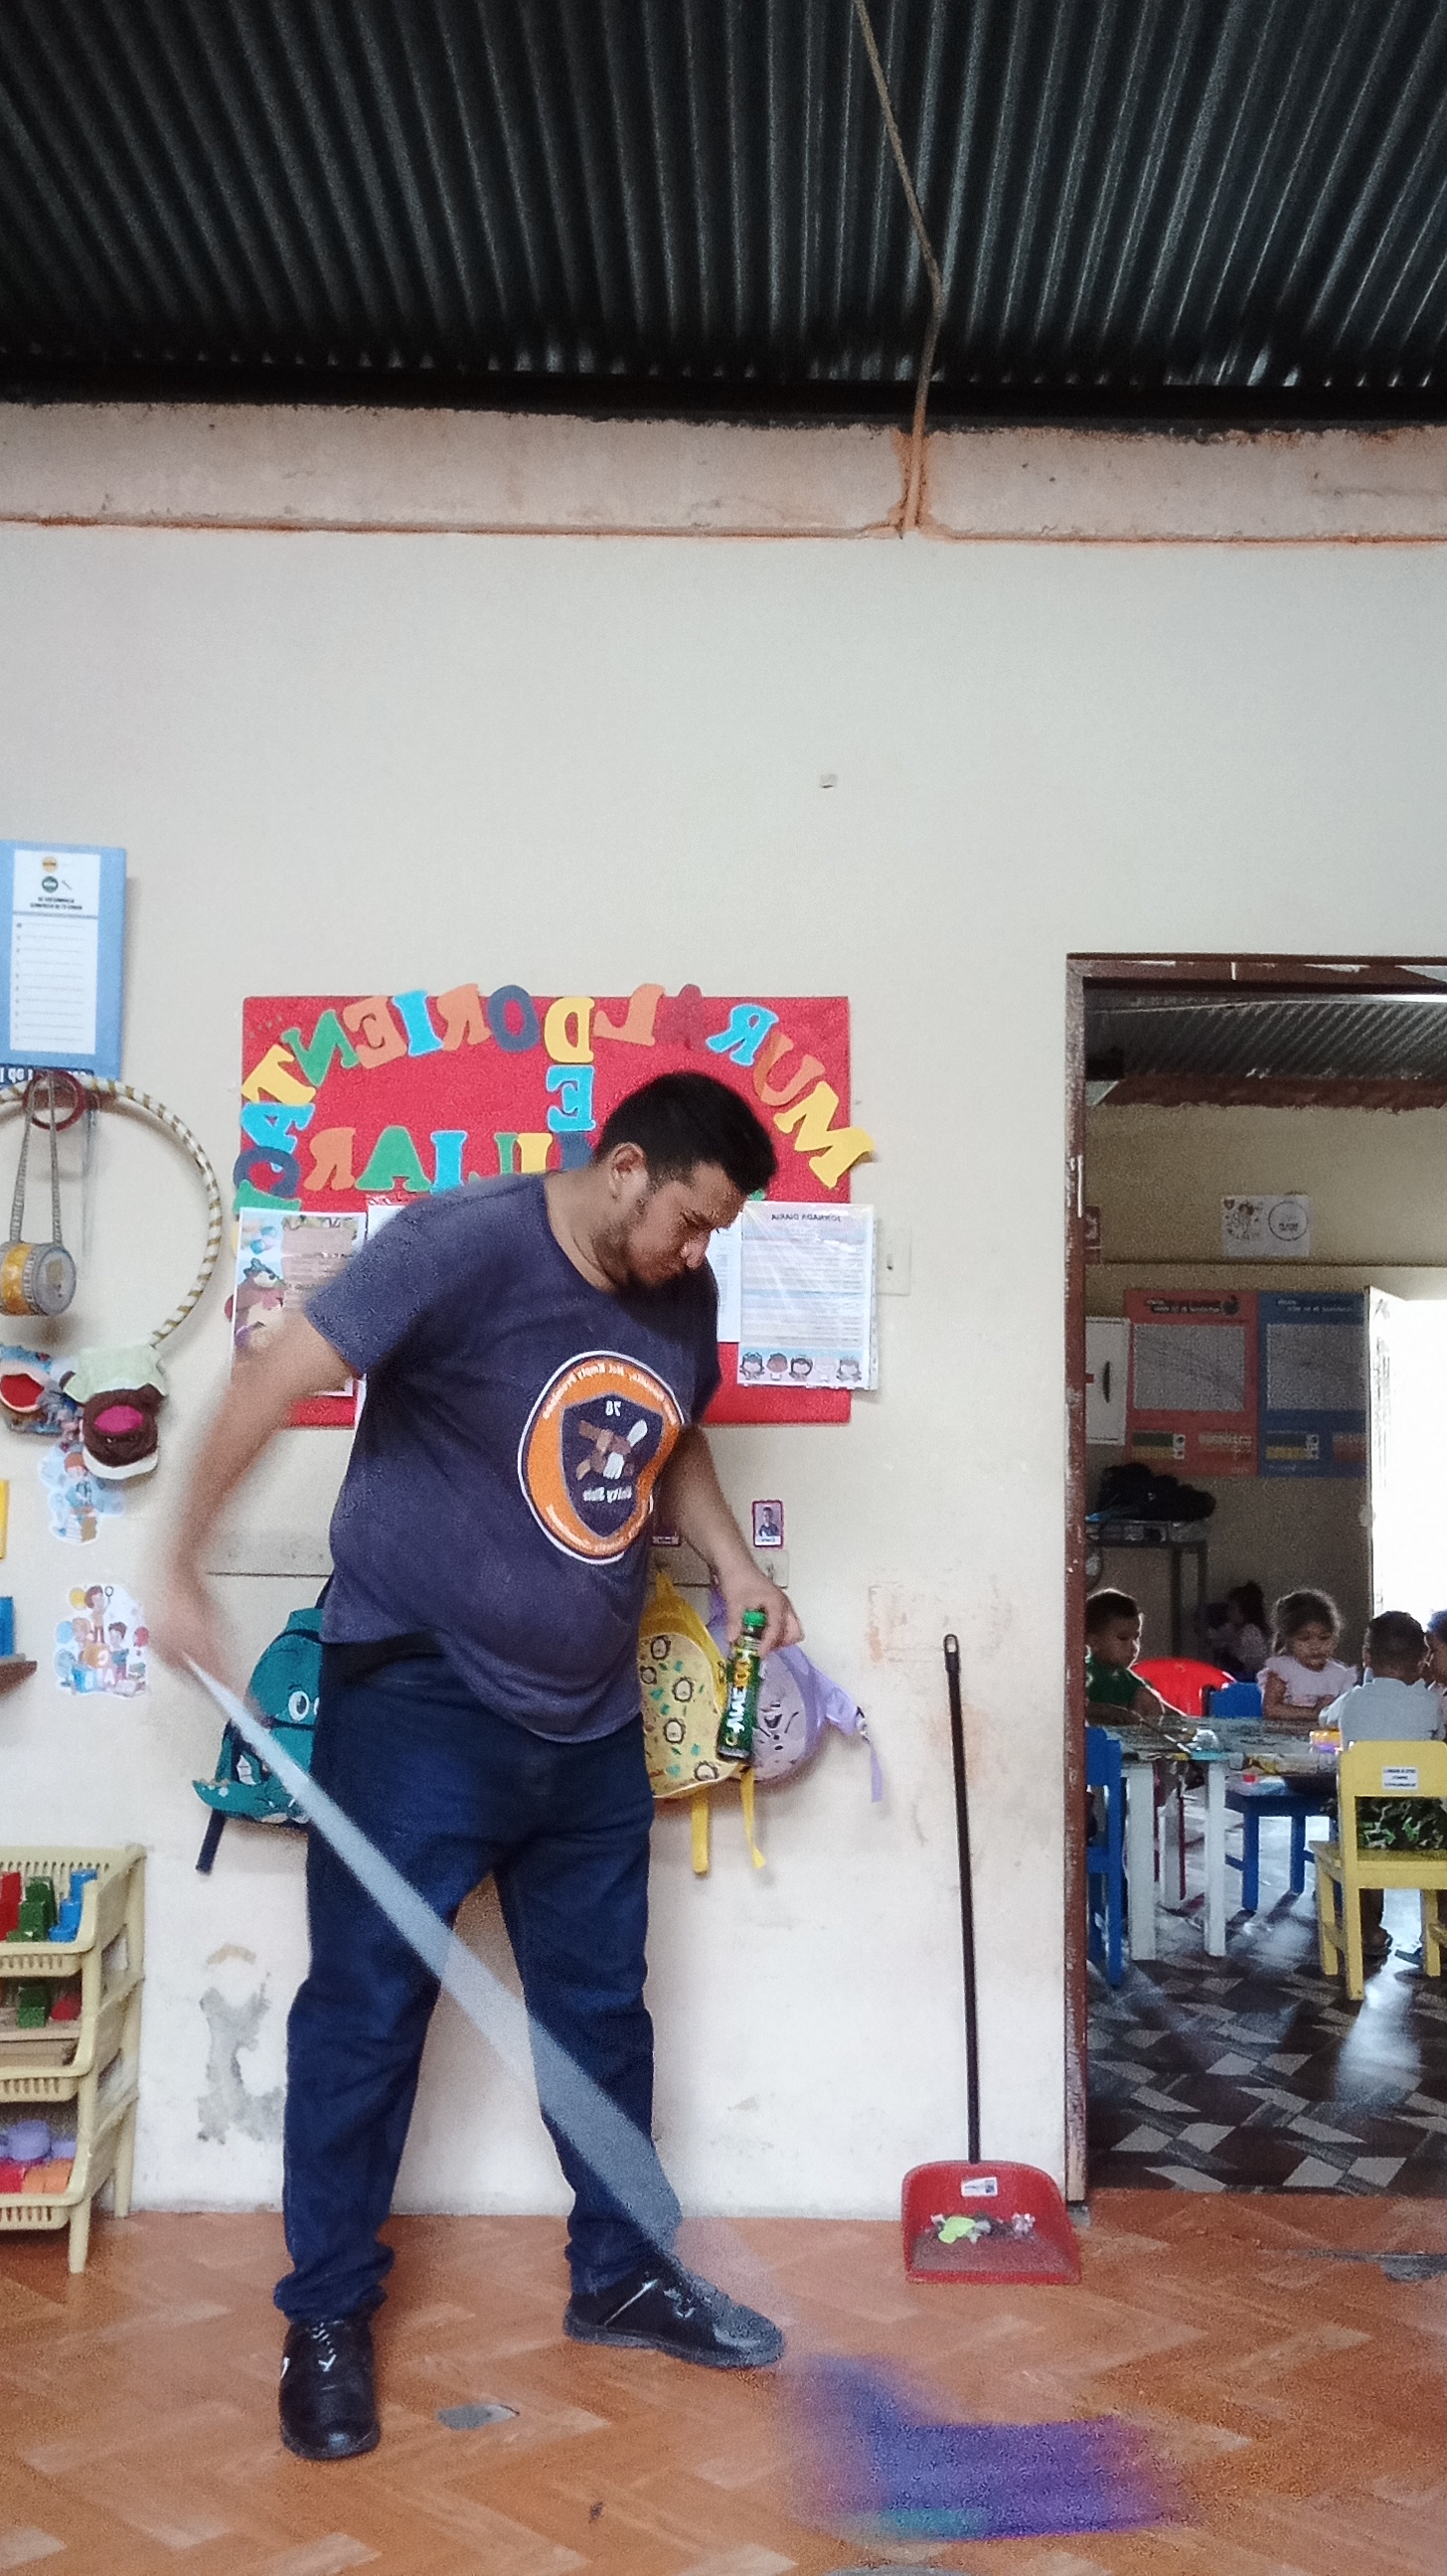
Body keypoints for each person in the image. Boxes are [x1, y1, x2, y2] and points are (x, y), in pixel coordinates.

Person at [157, 1072, 800, 2464]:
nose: (698, 1254)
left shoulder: (678, 1296)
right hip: (418, 1706)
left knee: (600, 2017)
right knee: (365, 2023)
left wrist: (734, 1562)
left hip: (589, 1722)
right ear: (623, 1167)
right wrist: (178, 1565)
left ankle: (622, 2275)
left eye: (715, 1233)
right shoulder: (458, 1245)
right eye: (690, 1220)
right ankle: (327, 2319)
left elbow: (669, 1433)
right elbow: (271, 1376)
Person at [1324, 1610, 1440, 1960]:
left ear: (1367, 1657)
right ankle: (1440, 1931)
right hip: (1424, 1828)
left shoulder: (1354, 1700)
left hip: (1366, 1828)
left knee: (1350, 1823)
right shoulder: (1431, 1702)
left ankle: (1369, 1931)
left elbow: (1325, 1718)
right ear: (1423, 1660)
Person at [1258, 1588, 1356, 1727]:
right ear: (1288, 1640)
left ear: (1335, 1638)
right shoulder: (1283, 1670)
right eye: (1304, 1638)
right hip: (1285, 1738)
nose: (1315, 1646)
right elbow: (1271, 1709)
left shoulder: (1340, 1675)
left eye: (1324, 1638)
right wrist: (1314, 1713)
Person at [1084, 1588, 1166, 1720]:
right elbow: (1078, 1708)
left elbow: (1160, 1707)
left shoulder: (1127, 1679)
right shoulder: (1085, 1674)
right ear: (1094, 1642)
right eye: (1123, 1638)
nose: (1133, 1647)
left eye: (1136, 1638)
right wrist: (1110, 1712)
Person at [1204, 1581, 1270, 1681]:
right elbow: (1215, 1637)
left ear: (1245, 1611)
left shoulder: (1251, 1631)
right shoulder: (1230, 1628)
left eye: (1232, 1608)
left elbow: (1239, 1662)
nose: (1228, 1612)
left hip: (1254, 1677)